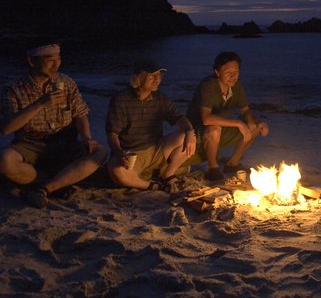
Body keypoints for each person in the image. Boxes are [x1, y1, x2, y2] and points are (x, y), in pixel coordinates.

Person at [0, 38, 107, 208]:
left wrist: (87, 138)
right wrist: (39, 104)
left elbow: (80, 114)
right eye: (50, 60)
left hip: (64, 144)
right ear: (32, 61)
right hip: (30, 144)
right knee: (4, 160)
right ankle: (60, 182)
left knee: (99, 152)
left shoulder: (65, 82)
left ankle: (45, 187)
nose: (56, 64)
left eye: (58, 59)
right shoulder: (13, 89)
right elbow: (6, 128)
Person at [106, 59, 196, 193]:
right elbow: (112, 133)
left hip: (157, 149)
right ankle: (152, 186)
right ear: (138, 78)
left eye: (159, 76)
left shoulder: (160, 98)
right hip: (133, 154)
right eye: (151, 76)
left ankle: (168, 175)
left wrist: (189, 132)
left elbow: (179, 118)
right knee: (116, 171)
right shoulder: (121, 100)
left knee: (188, 136)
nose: (156, 79)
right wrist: (119, 152)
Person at [187, 51, 269, 181]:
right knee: (214, 128)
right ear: (217, 72)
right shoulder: (208, 86)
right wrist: (238, 123)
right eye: (228, 72)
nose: (233, 76)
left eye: (236, 71)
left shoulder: (236, 86)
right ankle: (213, 168)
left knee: (253, 126)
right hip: (196, 133)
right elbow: (206, 119)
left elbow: (246, 111)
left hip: (220, 130)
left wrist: (258, 122)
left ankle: (232, 164)